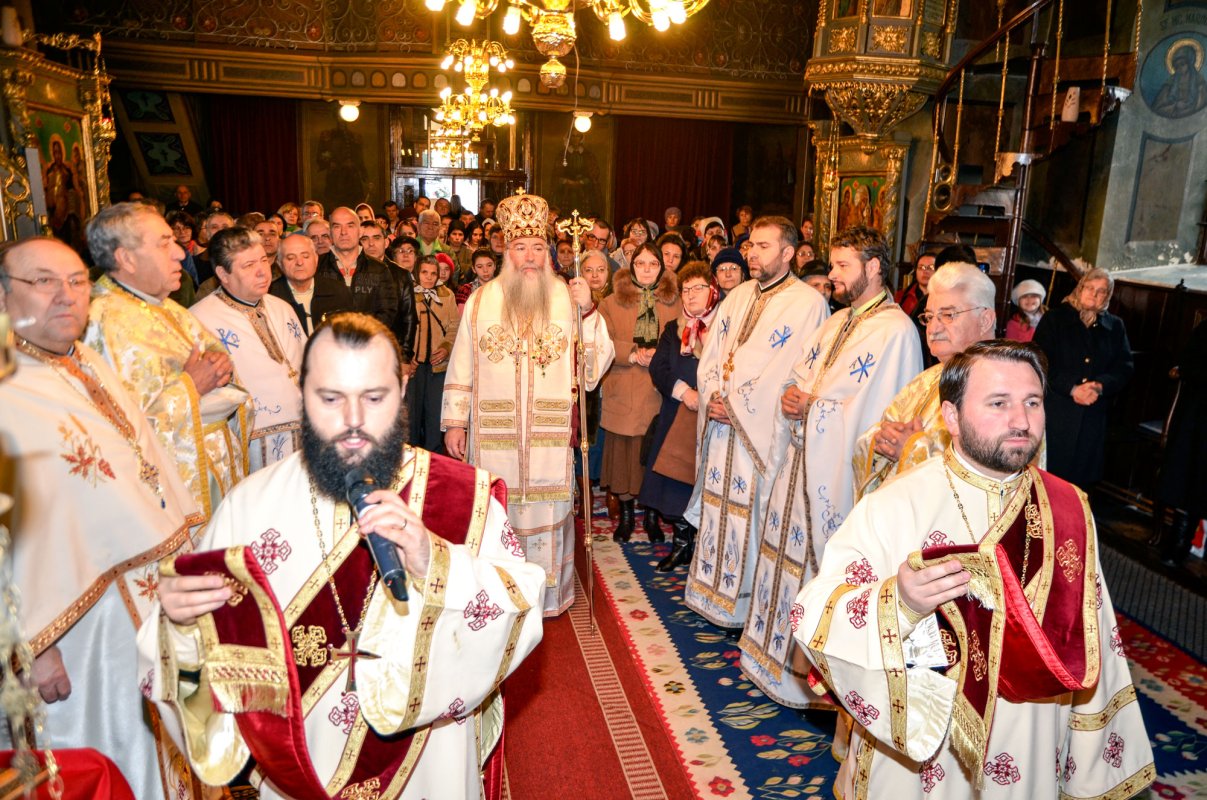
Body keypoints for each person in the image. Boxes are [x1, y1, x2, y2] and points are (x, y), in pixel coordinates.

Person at [139, 313, 546, 800]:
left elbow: (521, 606)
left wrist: (433, 561)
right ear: (302, 394)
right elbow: (198, 673)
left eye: (374, 398)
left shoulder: (464, 498)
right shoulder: (248, 508)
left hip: (425, 771)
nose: (353, 420)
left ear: (402, 390)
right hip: (299, 777)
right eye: (330, 398)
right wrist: (181, 627)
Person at [793, 341, 1155, 799]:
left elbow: (1095, 633)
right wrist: (898, 603)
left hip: (1030, 736)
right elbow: (818, 614)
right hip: (924, 752)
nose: (1021, 421)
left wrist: (1091, 761)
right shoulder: (894, 507)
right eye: (998, 403)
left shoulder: (1069, 507)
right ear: (950, 417)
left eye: (1033, 402)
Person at [0, 238, 205, 799]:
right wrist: (32, 649)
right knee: (103, 755)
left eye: (76, 281)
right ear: (3, 295)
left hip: (143, 606)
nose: (66, 296)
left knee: (162, 750)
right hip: (73, 629)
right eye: (43, 282)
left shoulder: (83, 361)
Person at [743, 225, 922, 706]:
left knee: (820, 568)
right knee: (782, 555)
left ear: (874, 267)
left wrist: (812, 406)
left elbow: (878, 411)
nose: (834, 275)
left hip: (838, 474)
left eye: (844, 265)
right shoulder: (835, 321)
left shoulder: (896, 332)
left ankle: (809, 678)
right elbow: (802, 372)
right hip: (800, 461)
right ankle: (768, 655)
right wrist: (791, 396)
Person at [443, 191, 615, 616]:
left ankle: (544, 596)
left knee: (547, 510)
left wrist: (590, 311)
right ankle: (496, 595)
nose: (530, 256)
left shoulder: (567, 296)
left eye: (538, 247)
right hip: (493, 433)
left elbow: (592, 369)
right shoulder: (482, 300)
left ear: (549, 252)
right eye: (521, 248)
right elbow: (462, 361)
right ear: (507, 250)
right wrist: (454, 423)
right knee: (496, 512)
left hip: (548, 437)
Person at [684, 216, 830, 629]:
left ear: (787, 253)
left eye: (763, 246)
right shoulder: (738, 296)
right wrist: (713, 395)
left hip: (761, 434)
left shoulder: (808, 304)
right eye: (751, 245)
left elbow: (800, 373)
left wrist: (739, 406)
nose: (751, 253)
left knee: (753, 514)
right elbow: (712, 354)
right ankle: (711, 595)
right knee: (719, 509)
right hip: (721, 428)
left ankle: (745, 607)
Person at [84, 202, 251, 519]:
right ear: (126, 258)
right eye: (164, 244)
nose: (178, 253)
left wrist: (223, 370)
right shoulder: (100, 322)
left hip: (218, 484)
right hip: (168, 507)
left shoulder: (170, 309)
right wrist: (191, 386)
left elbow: (218, 372)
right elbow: (112, 433)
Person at [854, 262, 997, 500]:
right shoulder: (927, 379)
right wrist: (882, 439)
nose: (933, 328)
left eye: (948, 315)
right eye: (929, 317)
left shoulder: (1005, 388)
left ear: (985, 319)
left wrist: (911, 449)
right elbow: (883, 430)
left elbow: (989, 481)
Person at [192, 227, 306, 472]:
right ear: (223, 273)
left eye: (264, 260)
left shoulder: (282, 307)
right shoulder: (199, 320)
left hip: (304, 434)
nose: (262, 271)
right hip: (249, 444)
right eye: (248, 265)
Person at [599, 242, 681, 543]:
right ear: (631, 267)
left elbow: (686, 337)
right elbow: (602, 342)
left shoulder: (675, 302)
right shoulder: (610, 302)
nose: (647, 270)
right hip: (624, 382)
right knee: (624, 456)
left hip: (659, 389)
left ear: (662, 268)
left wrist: (659, 356)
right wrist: (633, 353)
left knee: (654, 454)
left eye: (653, 264)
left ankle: (651, 516)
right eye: (640, 264)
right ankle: (627, 514)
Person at [640, 261, 719, 571]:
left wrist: (708, 395)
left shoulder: (727, 326)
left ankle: (707, 550)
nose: (690, 296)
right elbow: (659, 368)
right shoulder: (674, 329)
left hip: (716, 415)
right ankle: (682, 545)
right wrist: (684, 392)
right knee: (677, 483)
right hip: (678, 412)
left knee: (708, 482)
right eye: (685, 290)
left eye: (697, 289)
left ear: (712, 291)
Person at [1032, 267, 1133, 489]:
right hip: (1056, 411)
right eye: (1090, 288)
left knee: (1079, 486)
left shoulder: (1115, 326)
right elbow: (1040, 362)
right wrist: (1072, 388)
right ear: (1080, 288)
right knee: (1046, 481)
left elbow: (1124, 367)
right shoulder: (1055, 319)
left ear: (1108, 296)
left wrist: (1101, 385)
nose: (1094, 295)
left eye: (1102, 291)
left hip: (1092, 416)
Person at [1156, 316, 1207, 565]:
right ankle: (1179, 543)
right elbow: (1188, 364)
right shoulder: (1205, 329)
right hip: (1198, 418)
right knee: (1190, 478)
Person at [410, 255, 459, 452]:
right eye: (424, 273)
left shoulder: (447, 295)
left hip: (438, 366)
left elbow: (454, 325)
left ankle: (434, 461)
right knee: (411, 416)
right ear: (416, 272)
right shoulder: (407, 292)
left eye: (433, 273)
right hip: (414, 365)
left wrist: (447, 347)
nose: (429, 278)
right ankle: (410, 459)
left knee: (434, 415)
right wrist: (406, 355)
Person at [270, 231, 354, 335]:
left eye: (305, 256)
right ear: (279, 263)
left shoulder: (338, 291)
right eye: (290, 258)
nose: (299, 262)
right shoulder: (270, 297)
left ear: (316, 259)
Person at [1004, 278, 1046, 342]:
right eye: (1024, 296)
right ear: (1018, 301)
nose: (1029, 299)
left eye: (1034, 296)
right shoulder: (1013, 324)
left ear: (1040, 299)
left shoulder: (1048, 320)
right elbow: (1011, 349)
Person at [895, 250, 935, 316]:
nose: (925, 271)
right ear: (915, 270)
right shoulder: (900, 297)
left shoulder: (945, 297)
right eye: (921, 267)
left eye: (931, 267)